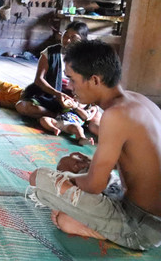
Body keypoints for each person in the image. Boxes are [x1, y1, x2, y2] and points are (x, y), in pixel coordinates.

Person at [29, 40, 161, 250]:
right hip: (131, 200)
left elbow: (94, 185)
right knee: (69, 163)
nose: (70, 88)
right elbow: (139, 165)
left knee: (40, 178)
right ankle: (78, 217)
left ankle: (100, 228)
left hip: (141, 226)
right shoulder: (138, 100)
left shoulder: (116, 115)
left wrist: (66, 182)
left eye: (72, 80)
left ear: (95, 80)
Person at [16, 21, 89, 119]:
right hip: (50, 94)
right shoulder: (50, 52)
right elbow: (39, 80)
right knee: (22, 106)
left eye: (74, 38)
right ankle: (57, 116)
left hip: (74, 98)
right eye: (66, 35)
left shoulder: (86, 58)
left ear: (82, 41)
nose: (67, 40)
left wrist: (75, 100)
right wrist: (57, 94)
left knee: (91, 115)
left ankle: (64, 115)